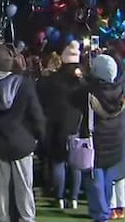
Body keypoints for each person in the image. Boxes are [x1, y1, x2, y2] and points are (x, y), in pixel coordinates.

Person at [0, 43, 46, 222]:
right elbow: (36, 114)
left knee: (1, 191)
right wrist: (39, 137)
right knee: (24, 187)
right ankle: (26, 219)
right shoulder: (25, 84)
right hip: (21, 142)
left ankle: (3, 218)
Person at [83, 54, 125, 222]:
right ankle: (106, 208)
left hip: (97, 139)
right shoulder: (121, 90)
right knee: (108, 176)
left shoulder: (90, 91)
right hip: (116, 138)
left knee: (95, 177)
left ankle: (100, 212)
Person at [37, 41, 84, 210]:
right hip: (76, 126)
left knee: (58, 162)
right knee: (76, 164)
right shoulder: (82, 82)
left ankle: (59, 197)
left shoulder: (52, 81)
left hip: (56, 126)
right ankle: (74, 198)